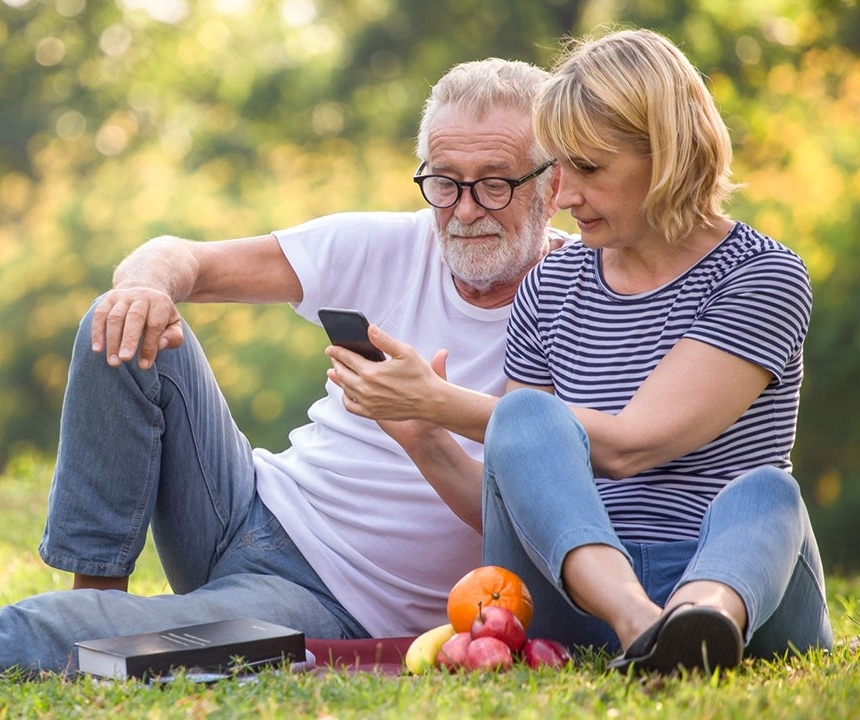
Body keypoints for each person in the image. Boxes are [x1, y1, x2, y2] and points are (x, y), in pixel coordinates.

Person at [0, 57, 564, 716]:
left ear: (552, 183)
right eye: (445, 183)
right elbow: (182, 256)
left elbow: (526, 542)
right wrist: (144, 284)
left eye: (494, 185)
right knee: (121, 323)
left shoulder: (582, 312)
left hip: (334, 605)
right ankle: (105, 605)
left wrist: (423, 429)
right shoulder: (387, 241)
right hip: (248, 506)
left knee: (59, 630)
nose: (464, 212)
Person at [336, 28, 832, 674]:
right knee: (524, 421)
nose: (563, 196)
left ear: (669, 154)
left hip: (744, 589)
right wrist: (425, 435)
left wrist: (443, 402)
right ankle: (645, 628)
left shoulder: (761, 276)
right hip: (582, 596)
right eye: (561, 167)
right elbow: (520, 493)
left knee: (768, 493)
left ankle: (697, 622)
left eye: (590, 169)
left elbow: (632, 443)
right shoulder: (549, 286)